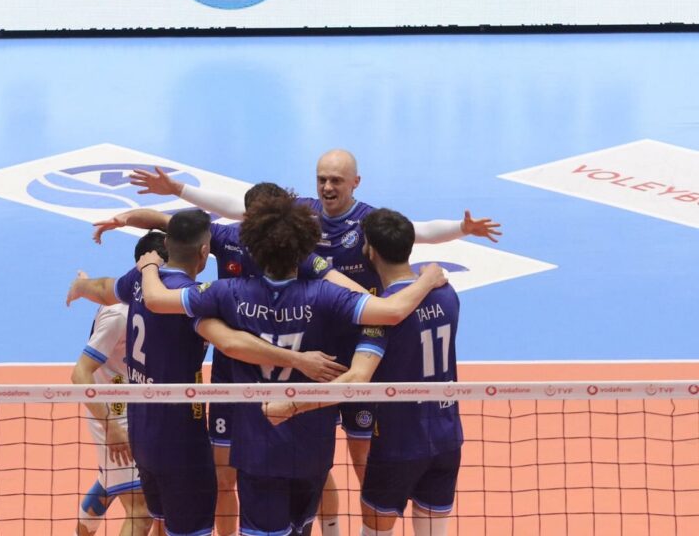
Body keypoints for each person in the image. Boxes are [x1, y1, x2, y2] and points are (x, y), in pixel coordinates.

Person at [129, 150, 496, 505]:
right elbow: (237, 210)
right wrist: (176, 190)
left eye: (335, 180)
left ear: (355, 182)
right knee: (302, 459)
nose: (327, 187)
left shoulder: (367, 221)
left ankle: (367, 516)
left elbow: (418, 232)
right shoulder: (300, 214)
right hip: (315, 342)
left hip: (356, 347)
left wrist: (461, 229)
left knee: (358, 457)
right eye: (321, 180)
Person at [92, 182, 363, 536]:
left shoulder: (298, 257)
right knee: (225, 477)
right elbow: (164, 221)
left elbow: (350, 290)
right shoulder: (229, 241)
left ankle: (329, 529)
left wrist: (147, 268)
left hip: (290, 381)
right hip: (232, 377)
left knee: (311, 471)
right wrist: (125, 218)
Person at [264, 209, 463, 536]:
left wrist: (293, 405)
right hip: (448, 440)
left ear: (369, 251)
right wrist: (426, 278)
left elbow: (356, 379)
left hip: (399, 445)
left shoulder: (380, 316)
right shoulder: (448, 295)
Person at [70, 232, 167, 536]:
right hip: (114, 414)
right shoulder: (118, 313)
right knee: (141, 512)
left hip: (141, 408)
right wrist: (111, 426)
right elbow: (80, 374)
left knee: (111, 481)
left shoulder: (149, 298)